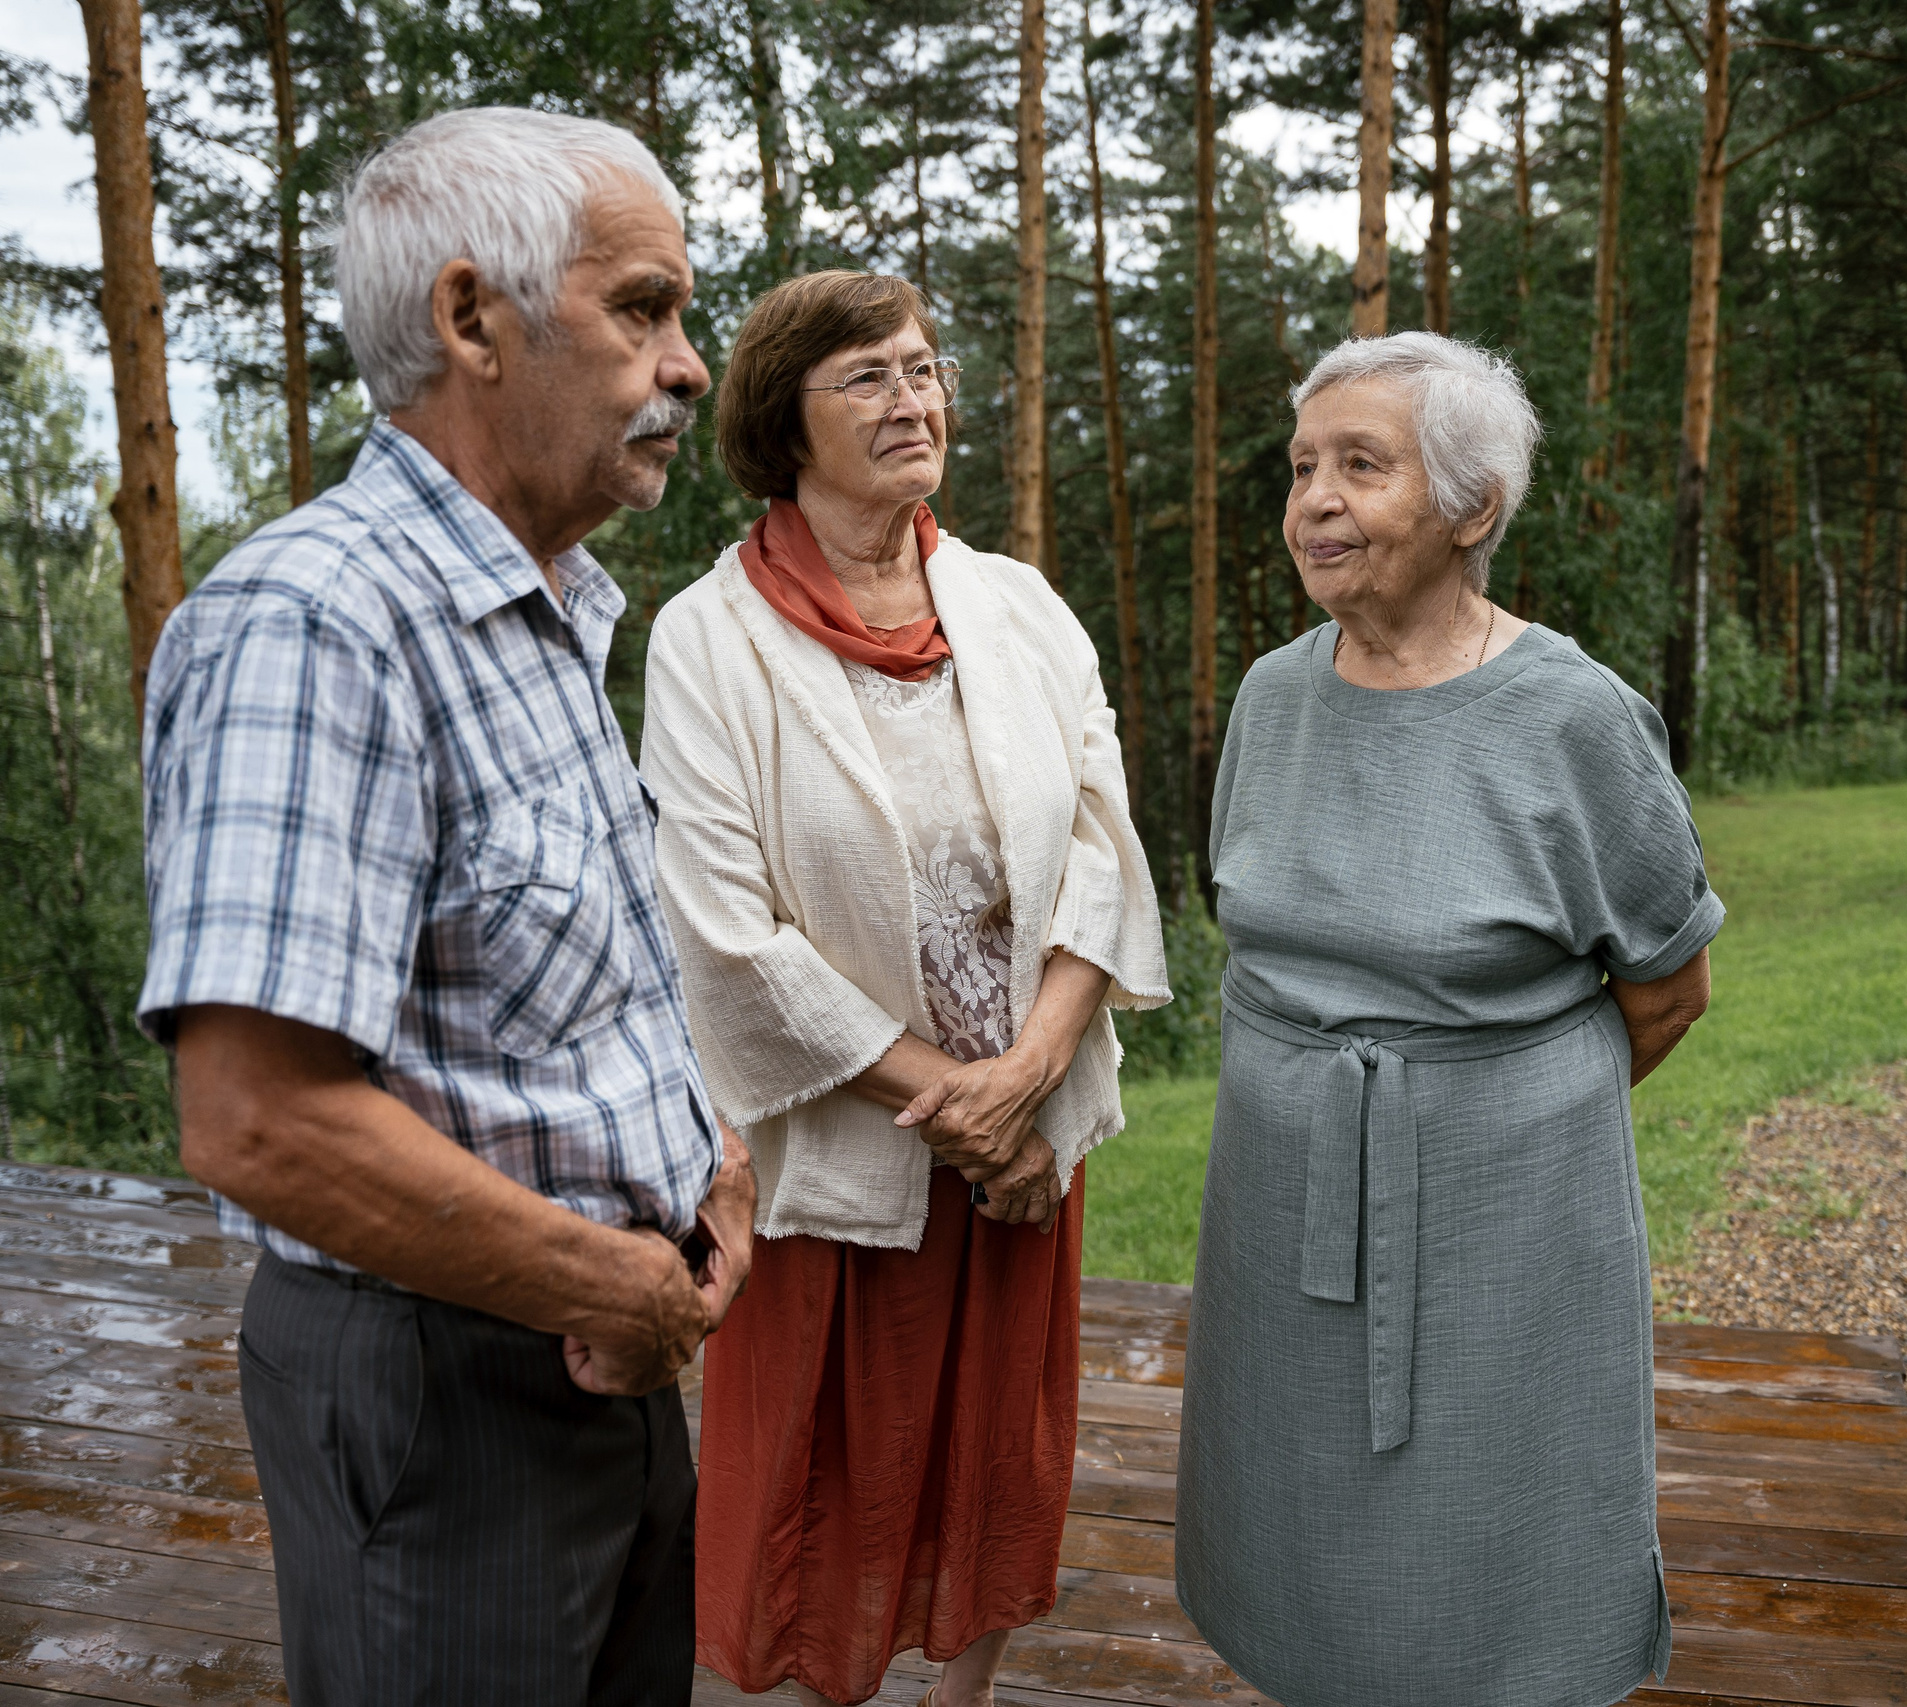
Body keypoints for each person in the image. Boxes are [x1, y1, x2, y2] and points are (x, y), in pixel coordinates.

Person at [137, 107, 753, 1706]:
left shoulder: (540, 609)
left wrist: (706, 1165)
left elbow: (538, 997)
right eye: (644, 308)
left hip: (597, 1356)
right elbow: (259, 1123)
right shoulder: (316, 622)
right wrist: (598, 1278)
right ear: (474, 318)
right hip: (448, 1389)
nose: (690, 363)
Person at [1173, 332, 1723, 1707]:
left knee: (1494, 1534)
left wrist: (1486, 1120)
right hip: (1276, 1205)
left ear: (1473, 507)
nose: (1314, 499)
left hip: (1506, 1224)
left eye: (1362, 464)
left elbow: (1666, 988)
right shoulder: (1271, 695)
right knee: (1296, 1523)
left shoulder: (1576, 718)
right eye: (1303, 467)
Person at [643, 270, 1168, 1707]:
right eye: (867, 375)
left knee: (1003, 1443)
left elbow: (1098, 845)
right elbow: (721, 927)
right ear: (781, 418)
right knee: (837, 1465)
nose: (913, 398)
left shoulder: (1016, 606)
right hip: (851, 1146)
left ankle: (966, 1698)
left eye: (925, 368)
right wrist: (954, 1101)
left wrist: (1033, 1072)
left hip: (1021, 1130)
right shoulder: (709, 638)